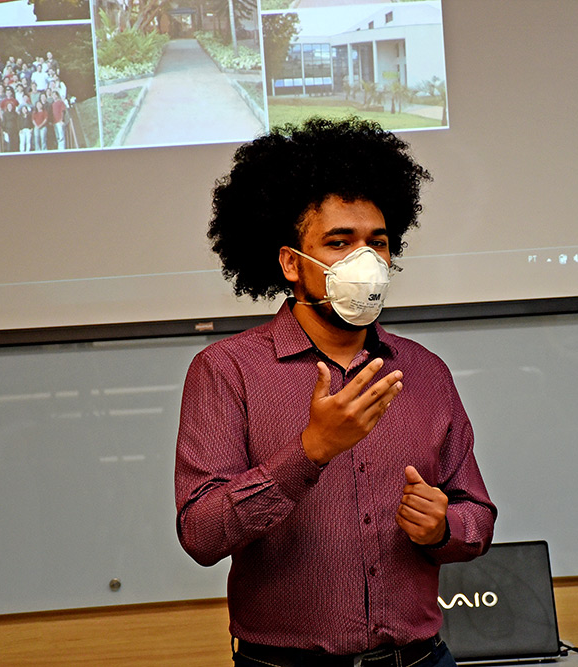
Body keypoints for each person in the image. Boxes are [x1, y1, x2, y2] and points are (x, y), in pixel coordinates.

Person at [175, 117, 496, 667]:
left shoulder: (425, 371)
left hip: (419, 659)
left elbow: (477, 517)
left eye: (378, 243)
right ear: (291, 264)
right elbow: (202, 535)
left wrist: (445, 526)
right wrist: (310, 453)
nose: (365, 260)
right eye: (339, 243)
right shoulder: (226, 370)